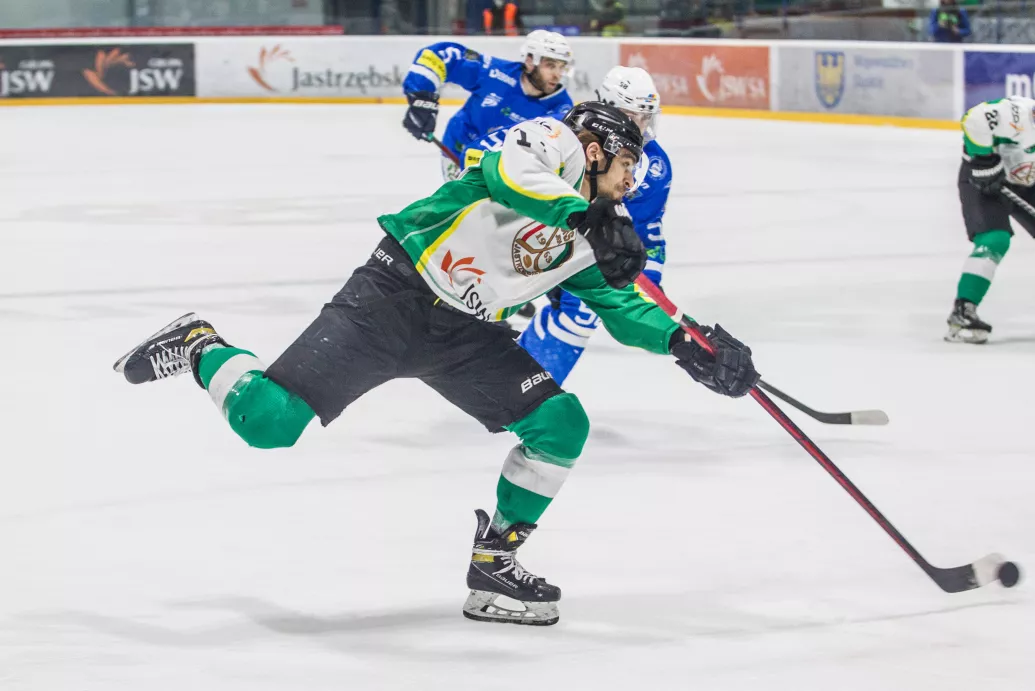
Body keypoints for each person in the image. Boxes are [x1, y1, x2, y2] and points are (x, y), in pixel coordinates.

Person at [113, 102, 760, 626]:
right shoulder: (552, 142)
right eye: (626, 165)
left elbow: (620, 305)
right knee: (267, 423)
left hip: (464, 333)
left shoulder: (595, 228)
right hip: (392, 294)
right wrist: (583, 214)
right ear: (595, 150)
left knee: (559, 423)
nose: (630, 182)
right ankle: (200, 343)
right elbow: (509, 175)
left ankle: (495, 562)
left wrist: (686, 343)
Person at [519, 66, 670, 384]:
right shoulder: (563, 128)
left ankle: (529, 388)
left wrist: (649, 282)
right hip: (527, 238)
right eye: (633, 116)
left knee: (580, 315)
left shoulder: (654, 167)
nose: (641, 126)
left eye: (646, 117)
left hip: (586, 255)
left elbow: (648, 232)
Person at [400, 29, 574, 181]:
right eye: (550, 65)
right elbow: (440, 55)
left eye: (562, 67)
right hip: (458, 149)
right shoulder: (495, 73)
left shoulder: (561, 107)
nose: (557, 74)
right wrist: (421, 98)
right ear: (530, 62)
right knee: (466, 207)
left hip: (507, 168)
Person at [947, 95, 1035, 343]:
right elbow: (974, 119)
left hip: (1028, 184)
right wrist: (984, 161)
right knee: (995, 239)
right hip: (983, 180)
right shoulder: (1017, 115)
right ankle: (963, 311)